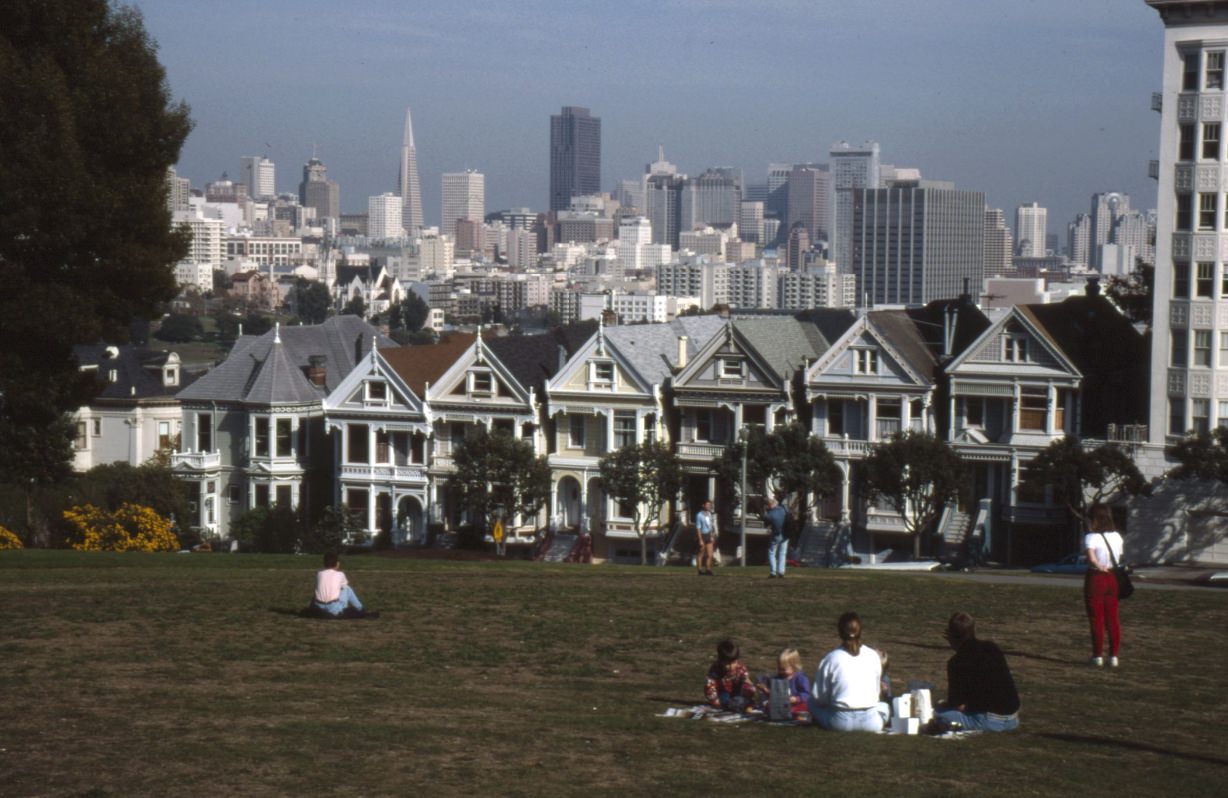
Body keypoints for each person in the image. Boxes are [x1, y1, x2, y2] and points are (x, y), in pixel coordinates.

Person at [934, 612, 1020, 732]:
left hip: (988, 720)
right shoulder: (991, 648)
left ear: (950, 636)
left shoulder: (957, 662)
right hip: (1012, 719)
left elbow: (956, 704)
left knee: (934, 713)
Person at [809, 612, 890, 732]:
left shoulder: (831, 658)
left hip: (840, 721)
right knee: (885, 707)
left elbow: (819, 698)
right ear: (860, 631)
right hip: (870, 722)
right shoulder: (873, 656)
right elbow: (876, 694)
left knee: (810, 703)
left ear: (840, 632)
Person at [1084, 503, 1124, 668]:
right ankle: (1113, 655)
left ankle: (1097, 655)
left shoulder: (1091, 537)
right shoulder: (1117, 536)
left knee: (1097, 618)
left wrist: (1099, 566)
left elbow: (1091, 557)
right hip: (1113, 577)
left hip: (1096, 577)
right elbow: (1119, 556)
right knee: (1113, 618)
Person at [704, 638, 756, 711]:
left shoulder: (740, 668)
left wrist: (750, 690)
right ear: (720, 660)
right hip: (723, 692)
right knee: (725, 700)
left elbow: (746, 682)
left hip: (738, 692)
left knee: (742, 698)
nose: (731, 666)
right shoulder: (716, 669)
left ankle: (741, 703)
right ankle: (732, 705)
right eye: (728, 663)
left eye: (734, 662)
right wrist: (716, 702)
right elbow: (709, 687)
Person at [756, 647, 811, 716]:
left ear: (794, 666)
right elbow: (776, 694)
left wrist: (796, 699)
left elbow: (806, 694)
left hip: (796, 704)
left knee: (805, 706)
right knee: (768, 705)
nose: (781, 672)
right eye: (779, 669)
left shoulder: (800, 678)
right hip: (782, 704)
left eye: (783, 669)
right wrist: (766, 690)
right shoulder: (779, 678)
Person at [312, 552, 369, 617]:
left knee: (319, 590)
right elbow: (344, 586)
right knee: (347, 589)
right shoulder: (340, 574)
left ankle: (314, 607)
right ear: (337, 563)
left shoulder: (319, 574)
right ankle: (360, 608)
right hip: (334, 609)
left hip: (319, 607)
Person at [764, 496, 788, 578]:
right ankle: (781, 571)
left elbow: (766, 524)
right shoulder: (783, 510)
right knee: (782, 553)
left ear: (769, 505)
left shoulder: (769, 514)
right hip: (785, 534)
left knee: (771, 552)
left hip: (776, 534)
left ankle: (773, 572)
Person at [695, 500, 717, 576]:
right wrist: (700, 539)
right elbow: (698, 528)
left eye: (709, 505)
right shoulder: (699, 515)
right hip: (702, 534)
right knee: (701, 553)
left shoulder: (709, 514)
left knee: (710, 554)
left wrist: (712, 535)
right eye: (707, 505)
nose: (708, 506)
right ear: (703, 505)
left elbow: (711, 526)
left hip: (708, 535)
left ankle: (708, 569)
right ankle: (699, 570)